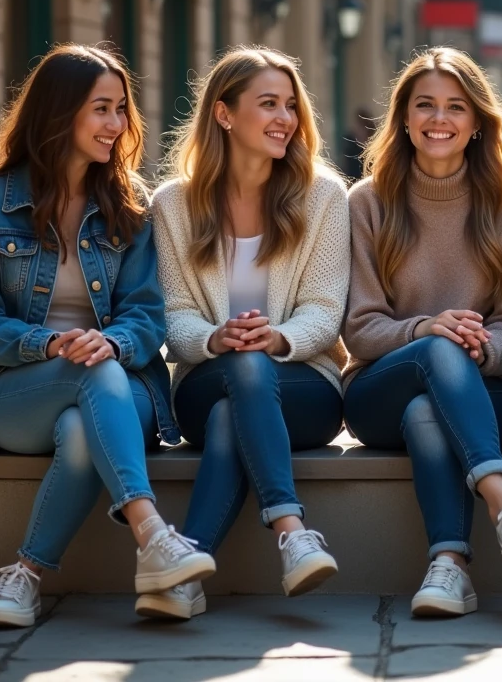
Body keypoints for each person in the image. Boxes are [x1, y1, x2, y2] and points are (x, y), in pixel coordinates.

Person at [0, 44, 215, 629]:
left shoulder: (129, 205)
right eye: (101, 109)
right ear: (58, 112)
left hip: (120, 387)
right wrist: (46, 344)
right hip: (16, 394)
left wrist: (112, 341)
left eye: (121, 110)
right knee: (82, 374)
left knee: (83, 419)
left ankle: (25, 575)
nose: (117, 126)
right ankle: (152, 534)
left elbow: (147, 315)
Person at [148, 47, 350, 619]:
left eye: (290, 105)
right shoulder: (172, 205)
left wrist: (277, 338)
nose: (285, 117)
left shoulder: (324, 196)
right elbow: (175, 314)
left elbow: (324, 307)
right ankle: (290, 528)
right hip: (203, 380)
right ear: (224, 114)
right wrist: (217, 339)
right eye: (268, 104)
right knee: (236, 374)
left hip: (305, 388)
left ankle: (183, 574)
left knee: (232, 406)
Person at [342, 47, 502, 618]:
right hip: (379, 388)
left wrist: (481, 347)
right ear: (404, 118)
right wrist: (429, 331)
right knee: (433, 352)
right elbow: (358, 328)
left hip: (488, 388)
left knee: (427, 413)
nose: (439, 119)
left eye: (456, 107)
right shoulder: (368, 202)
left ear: (478, 122)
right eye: (425, 105)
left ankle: (449, 566)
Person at [338, 108, 373, 182]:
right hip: (351, 180)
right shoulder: (349, 143)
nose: (357, 129)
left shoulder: (373, 146)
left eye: (361, 126)